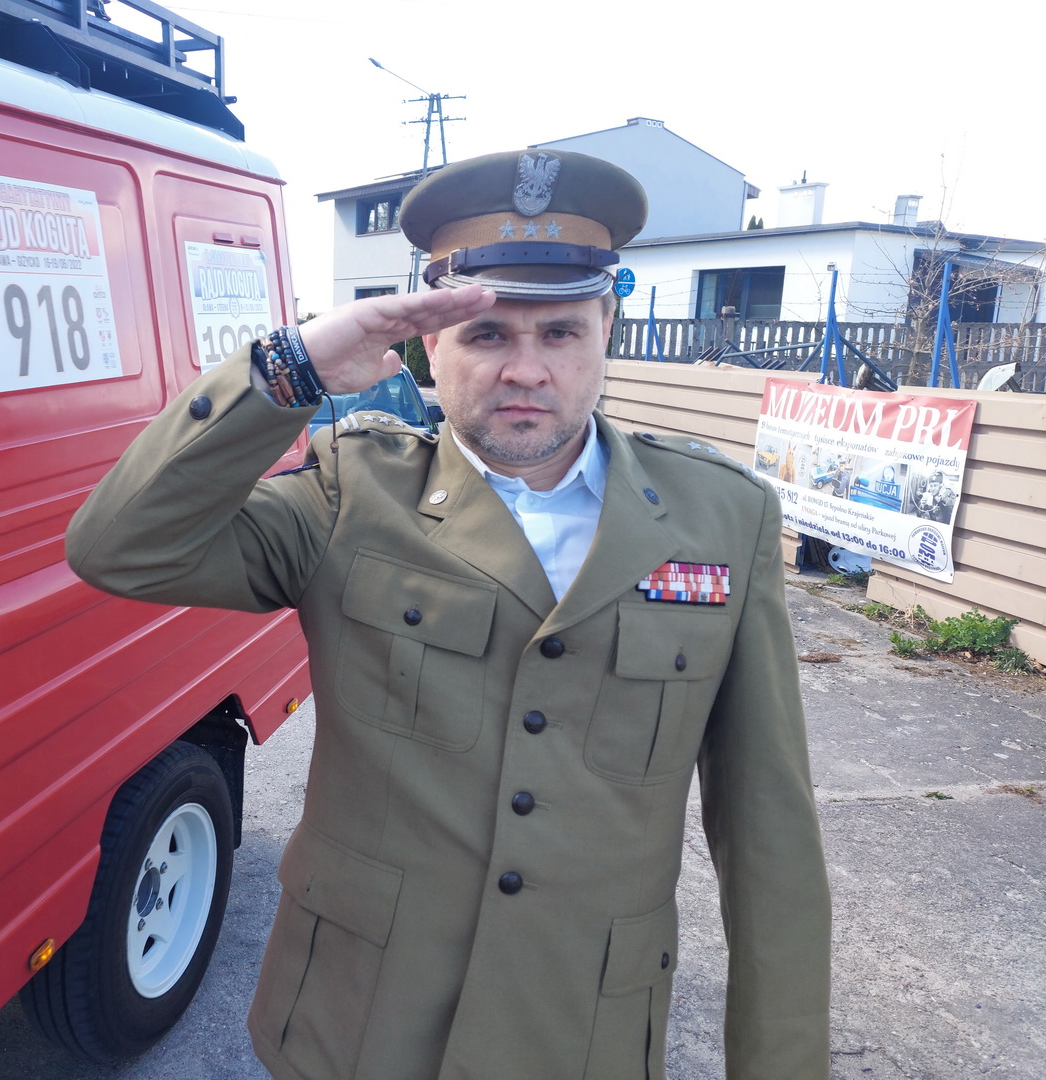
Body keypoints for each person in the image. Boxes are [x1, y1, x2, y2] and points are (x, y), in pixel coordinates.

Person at [67, 150, 831, 1080]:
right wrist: (291, 368)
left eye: (561, 332)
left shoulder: (722, 518)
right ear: (431, 345)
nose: (526, 370)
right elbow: (120, 546)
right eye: (487, 334)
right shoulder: (351, 495)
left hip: (579, 1034)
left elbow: (769, 836)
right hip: (358, 1028)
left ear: (607, 331)